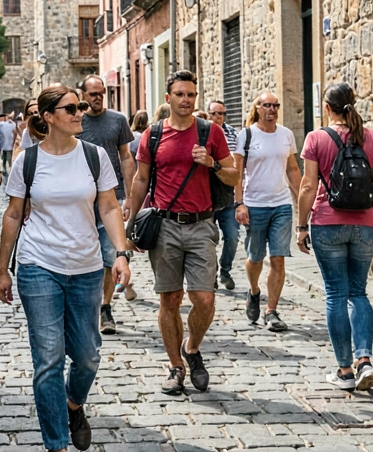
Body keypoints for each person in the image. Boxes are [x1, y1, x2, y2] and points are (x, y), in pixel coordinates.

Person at [0, 86, 130, 452]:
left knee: (87, 356)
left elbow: (109, 207)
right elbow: (12, 214)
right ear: (48, 116)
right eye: (71, 108)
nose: (80, 113)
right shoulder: (28, 161)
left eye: (81, 106)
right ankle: (56, 444)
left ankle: (73, 405)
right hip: (39, 265)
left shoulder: (94, 156)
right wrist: (2, 269)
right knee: (49, 360)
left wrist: (120, 252)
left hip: (86, 267)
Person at [125, 71, 237, 395]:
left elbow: (232, 176)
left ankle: (191, 347)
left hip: (202, 224)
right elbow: (140, 181)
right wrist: (131, 226)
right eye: (180, 94)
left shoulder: (210, 133)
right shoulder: (153, 135)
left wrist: (212, 164)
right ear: (168, 98)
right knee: (170, 299)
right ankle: (175, 366)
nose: (186, 100)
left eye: (191, 94)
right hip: (165, 226)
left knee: (204, 298)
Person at [298, 83, 373, 392]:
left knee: (336, 295)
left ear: (327, 108)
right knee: (358, 292)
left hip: (327, 223)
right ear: (353, 103)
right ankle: (365, 360)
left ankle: (345, 370)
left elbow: (308, 186)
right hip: (365, 223)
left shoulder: (316, 138)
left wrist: (301, 226)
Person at [234, 92, 302, 332]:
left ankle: (271, 310)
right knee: (255, 258)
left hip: (281, 204)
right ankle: (254, 291)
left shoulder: (286, 135)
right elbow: (238, 172)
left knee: (278, 258)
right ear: (258, 108)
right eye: (267, 105)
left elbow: (292, 169)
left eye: (275, 105)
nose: (271, 109)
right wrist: (239, 203)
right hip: (254, 204)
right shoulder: (248, 134)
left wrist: (302, 199)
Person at [77, 75, 135, 335]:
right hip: (81, 199)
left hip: (113, 196)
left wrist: (131, 196)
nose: (97, 97)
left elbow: (126, 157)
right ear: (83, 95)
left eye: (101, 93)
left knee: (110, 255)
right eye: (92, 94)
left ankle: (106, 307)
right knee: (85, 255)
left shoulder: (118, 120)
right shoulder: (75, 121)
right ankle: (85, 306)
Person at [207, 100, 240, 290]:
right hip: (207, 196)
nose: (218, 117)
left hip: (228, 195)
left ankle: (225, 270)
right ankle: (211, 273)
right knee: (208, 238)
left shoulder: (233, 134)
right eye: (214, 113)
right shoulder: (203, 132)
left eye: (221, 113)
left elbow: (237, 165)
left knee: (233, 236)